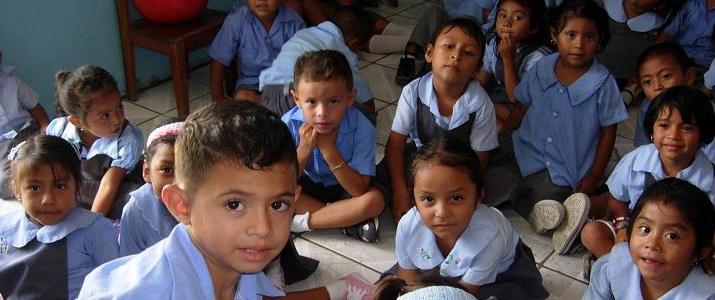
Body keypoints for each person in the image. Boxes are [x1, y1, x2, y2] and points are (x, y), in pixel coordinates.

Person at [78, 101, 296, 299]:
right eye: (234, 204)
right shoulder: (148, 294)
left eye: (277, 205)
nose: (262, 228)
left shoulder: (237, 259)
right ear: (180, 205)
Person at [505, 0, 628, 254]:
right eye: (571, 35)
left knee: (552, 192)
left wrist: (593, 176)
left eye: (589, 36)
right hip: (524, 150)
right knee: (497, 179)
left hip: (563, 166)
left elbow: (608, 134)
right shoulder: (542, 68)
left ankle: (569, 214)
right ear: (554, 35)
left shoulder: (603, 84)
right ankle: (552, 214)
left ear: (600, 40)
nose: (579, 44)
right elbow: (521, 106)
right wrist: (502, 134)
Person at [388, 136, 548, 299]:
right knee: (389, 288)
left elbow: (463, 294)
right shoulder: (408, 226)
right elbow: (408, 279)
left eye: (456, 198)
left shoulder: (491, 236)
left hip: (495, 275)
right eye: (428, 199)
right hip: (441, 269)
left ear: (479, 196)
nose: (442, 213)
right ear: (413, 199)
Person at [579, 86, 715, 269]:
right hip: (634, 233)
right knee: (591, 232)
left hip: (676, 248)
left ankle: (627, 273)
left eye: (687, 128)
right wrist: (622, 225)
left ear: (702, 136)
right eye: (664, 125)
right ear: (652, 130)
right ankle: (624, 274)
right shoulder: (636, 159)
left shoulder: (709, 179)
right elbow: (617, 199)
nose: (673, 136)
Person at [383, 17, 498, 222]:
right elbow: (395, 145)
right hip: (420, 160)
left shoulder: (481, 104)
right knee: (383, 172)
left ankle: (445, 201)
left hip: (460, 169)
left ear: (477, 68)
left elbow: (480, 160)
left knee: (500, 180)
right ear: (429, 53)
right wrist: (400, 192)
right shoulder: (413, 91)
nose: (456, 56)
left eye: (468, 53)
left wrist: (464, 190)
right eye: (449, 46)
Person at [0, 135, 118, 299]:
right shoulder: (5, 229)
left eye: (60, 186)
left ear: (77, 187)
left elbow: (115, 284)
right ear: (16, 190)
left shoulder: (94, 229)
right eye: (34, 187)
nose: (48, 199)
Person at [284, 50, 384, 243]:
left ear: (350, 98)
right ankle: (345, 220)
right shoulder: (288, 124)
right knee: (277, 194)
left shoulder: (362, 127)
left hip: (345, 187)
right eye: (312, 102)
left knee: (375, 200)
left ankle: (305, 222)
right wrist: (304, 149)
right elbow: (281, 182)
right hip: (306, 187)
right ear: (297, 99)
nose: (322, 113)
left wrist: (329, 151)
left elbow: (358, 190)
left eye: (334, 101)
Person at [584, 178, 715, 299]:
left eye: (672, 236)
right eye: (645, 229)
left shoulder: (706, 294)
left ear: (701, 251)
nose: (652, 244)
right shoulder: (612, 267)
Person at [48, 65, 144, 220]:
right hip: (80, 189)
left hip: (113, 191)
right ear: (77, 122)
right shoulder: (60, 129)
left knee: (134, 202)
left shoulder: (128, 139)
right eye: (105, 116)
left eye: (119, 107)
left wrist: (92, 225)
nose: (117, 119)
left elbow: (109, 185)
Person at [259, 7, 376, 119]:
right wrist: (370, 115)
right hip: (297, 96)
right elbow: (362, 92)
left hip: (268, 95)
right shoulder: (340, 49)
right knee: (357, 114)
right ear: (354, 43)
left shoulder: (306, 33)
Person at [208, 0, 305, 102]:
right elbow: (217, 61)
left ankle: (273, 106)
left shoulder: (294, 22)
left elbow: (304, 63)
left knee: (303, 96)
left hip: (284, 85)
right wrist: (218, 99)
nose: (261, 0)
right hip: (252, 86)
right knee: (242, 97)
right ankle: (273, 106)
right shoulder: (237, 20)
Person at [477, 0, 550, 131]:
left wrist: (508, 59)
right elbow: (484, 76)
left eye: (517, 18)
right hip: (499, 99)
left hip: (524, 108)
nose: (507, 23)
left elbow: (516, 99)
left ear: (534, 27)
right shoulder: (493, 43)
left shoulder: (538, 57)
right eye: (502, 15)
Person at [119, 121, 182, 256]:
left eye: (191, 169)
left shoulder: (218, 205)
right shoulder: (136, 211)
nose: (179, 182)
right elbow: (129, 265)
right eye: (167, 170)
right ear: (147, 171)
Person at [0, 50, 50, 199]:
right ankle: (41, 189)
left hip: (28, 131)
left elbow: (36, 108)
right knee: (5, 180)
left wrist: (45, 127)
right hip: (2, 146)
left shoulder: (12, 81)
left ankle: (68, 184)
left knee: (53, 154)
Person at [632, 42, 696, 147]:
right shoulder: (646, 109)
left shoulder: (702, 110)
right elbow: (643, 149)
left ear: (688, 76)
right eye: (647, 82)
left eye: (665, 76)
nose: (657, 87)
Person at [656, 0, 714, 69]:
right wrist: (655, 53)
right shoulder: (691, 2)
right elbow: (669, 30)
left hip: (702, 65)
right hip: (674, 53)